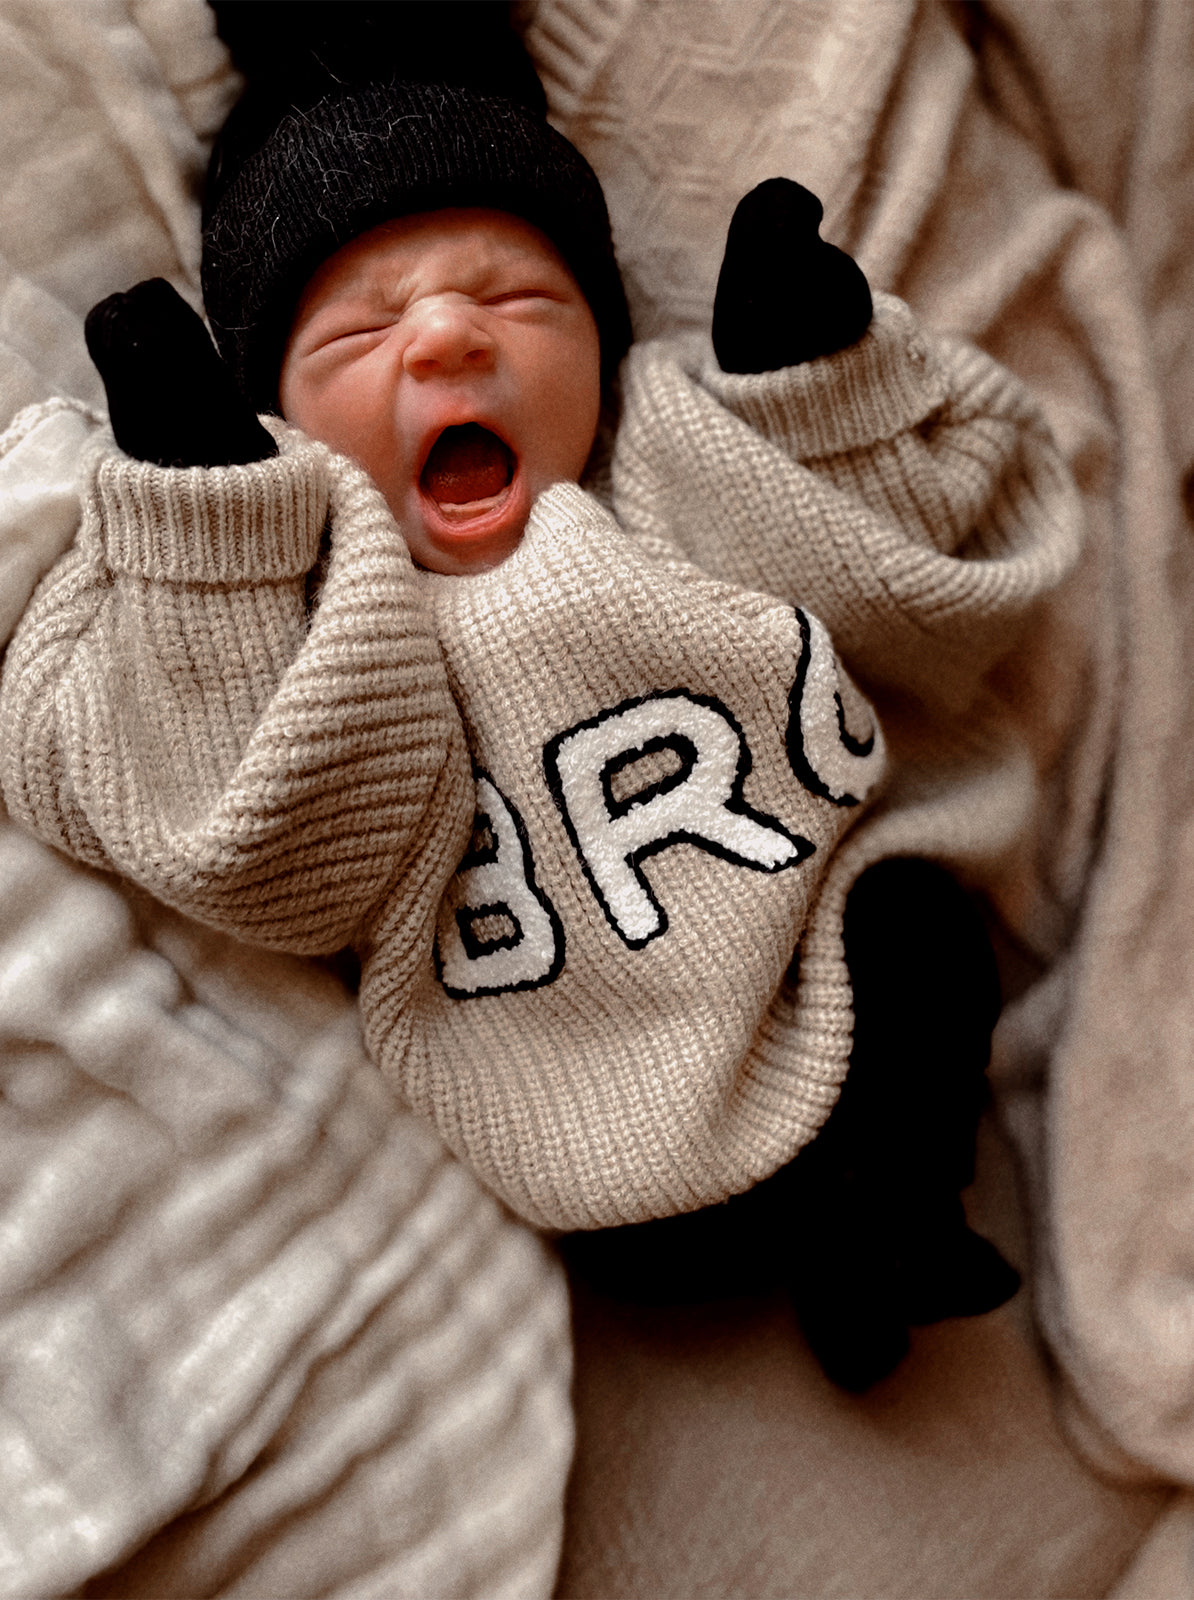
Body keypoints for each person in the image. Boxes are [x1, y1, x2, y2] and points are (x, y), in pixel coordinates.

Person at [0, 2, 1077, 1387]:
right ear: (274, 414)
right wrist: (214, 529)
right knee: (665, 1256)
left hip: (820, 968)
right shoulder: (329, 616)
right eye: (359, 335)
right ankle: (840, 1243)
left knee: (924, 932)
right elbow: (256, 844)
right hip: (569, 1120)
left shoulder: (670, 476)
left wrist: (808, 387)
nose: (447, 337)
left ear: (605, 339)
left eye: (518, 301)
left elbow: (905, 595)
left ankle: (898, 1212)